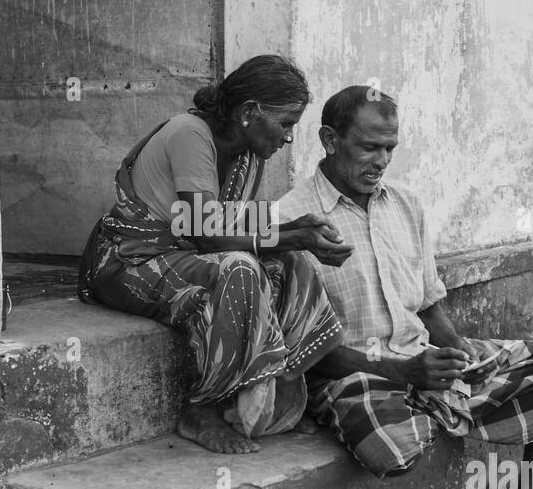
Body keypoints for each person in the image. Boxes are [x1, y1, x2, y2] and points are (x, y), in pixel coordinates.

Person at [274, 85, 533, 489]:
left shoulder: (406, 203)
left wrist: (462, 354)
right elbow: (301, 354)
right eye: (369, 147)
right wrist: (400, 373)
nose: (382, 161)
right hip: (353, 375)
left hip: (419, 359)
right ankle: (443, 405)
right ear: (330, 141)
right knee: (389, 447)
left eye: (390, 148)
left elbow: (427, 305)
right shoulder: (290, 220)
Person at [78, 55, 352, 454]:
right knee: (240, 269)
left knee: (290, 265)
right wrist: (293, 236)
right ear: (249, 112)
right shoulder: (189, 134)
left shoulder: (246, 156)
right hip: (129, 261)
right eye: (286, 123)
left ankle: (273, 399)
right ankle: (202, 407)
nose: (289, 137)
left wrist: (298, 231)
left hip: (182, 254)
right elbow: (205, 233)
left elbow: (232, 225)